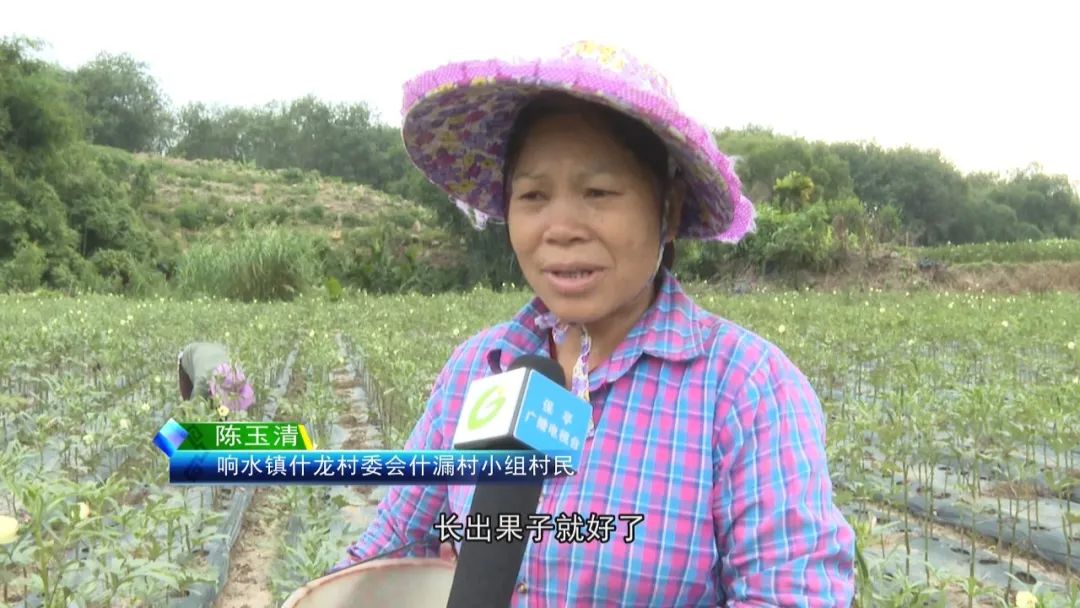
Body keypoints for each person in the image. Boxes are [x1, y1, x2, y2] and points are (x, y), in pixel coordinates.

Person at [336, 41, 855, 606]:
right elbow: (387, 548)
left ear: (669, 209)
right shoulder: (480, 368)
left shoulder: (745, 390)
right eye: (533, 194)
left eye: (598, 192)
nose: (560, 228)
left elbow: (790, 595)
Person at [177, 342, 255, 413]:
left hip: (214, 352)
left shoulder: (237, 376)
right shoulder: (202, 384)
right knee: (189, 406)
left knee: (220, 413)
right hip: (190, 353)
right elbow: (192, 414)